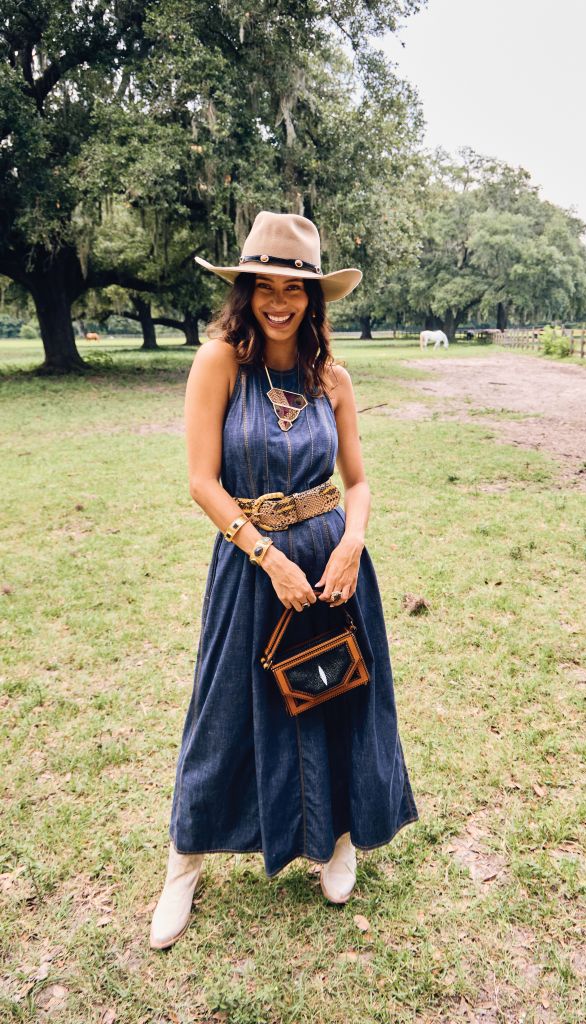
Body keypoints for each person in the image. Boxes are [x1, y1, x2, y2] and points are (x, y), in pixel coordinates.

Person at [150, 211, 419, 950]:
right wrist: (267, 558)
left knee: (336, 692)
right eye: (263, 286)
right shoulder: (219, 362)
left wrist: (351, 545)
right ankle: (184, 860)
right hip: (252, 564)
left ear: (313, 298)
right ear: (244, 291)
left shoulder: (331, 375)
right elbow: (202, 482)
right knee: (225, 706)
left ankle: (336, 839)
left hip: (333, 558)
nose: (278, 301)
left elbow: (357, 480)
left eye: (293, 288)